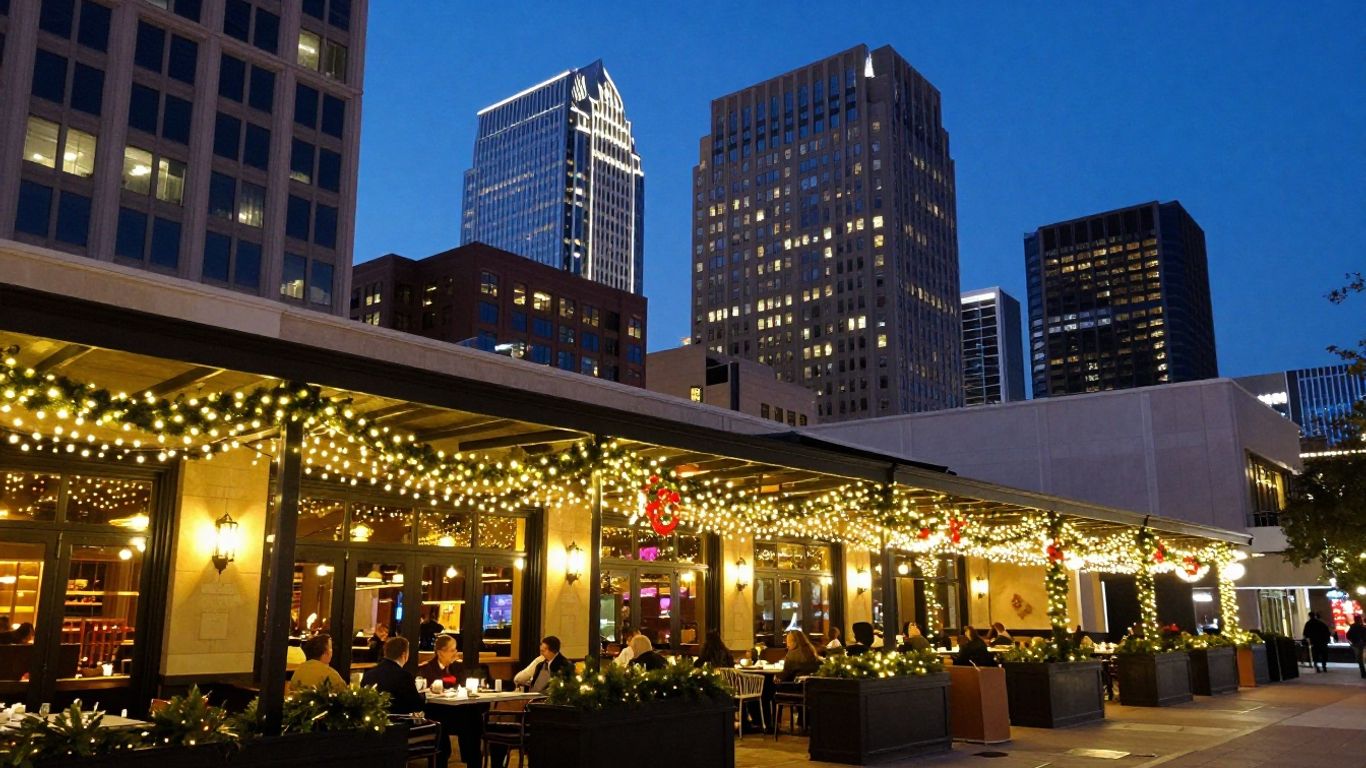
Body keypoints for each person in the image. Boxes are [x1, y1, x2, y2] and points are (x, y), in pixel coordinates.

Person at [361, 636, 425, 715]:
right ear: (404, 655)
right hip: (397, 723)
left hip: (373, 721)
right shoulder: (404, 676)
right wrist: (423, 695)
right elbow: (416, 705)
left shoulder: (369, 674)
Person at [1346, 615, 1366, 680]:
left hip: (1356, 644)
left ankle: (1363, 673)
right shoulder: (1361, 627)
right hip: (1361, 644)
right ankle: (1363, 673)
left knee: (1360, 658)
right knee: (1360, 658)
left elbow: (1348, 635)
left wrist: (1353, 641)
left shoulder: (1353, 627)